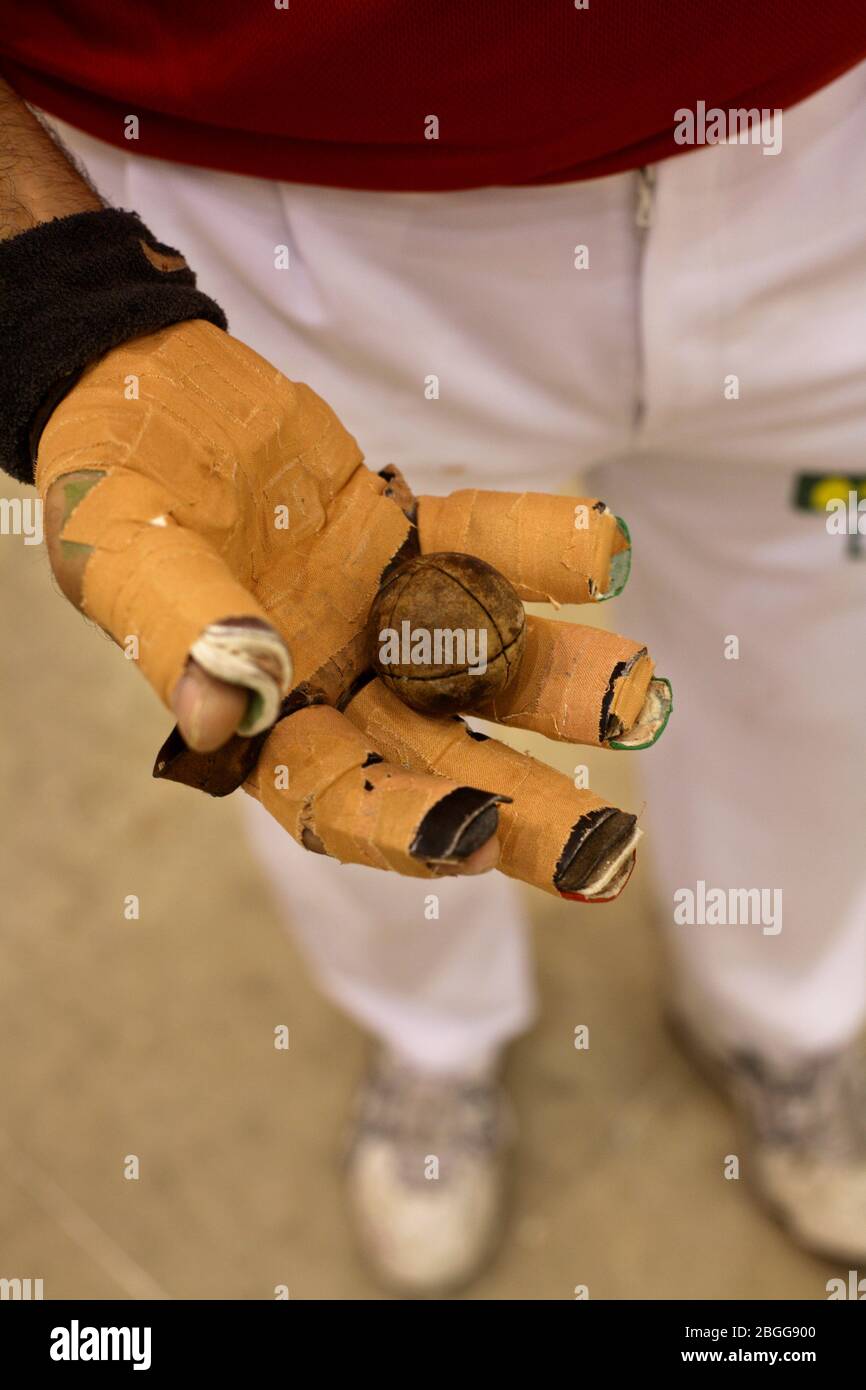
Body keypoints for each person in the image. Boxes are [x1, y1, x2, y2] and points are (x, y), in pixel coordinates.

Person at [2, 4, 866, 1295]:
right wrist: (49, 290)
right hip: (271, 210)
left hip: (822, 166)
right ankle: (433, 1043)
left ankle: (783, 1017)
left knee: (820, 666)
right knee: (323, 691)